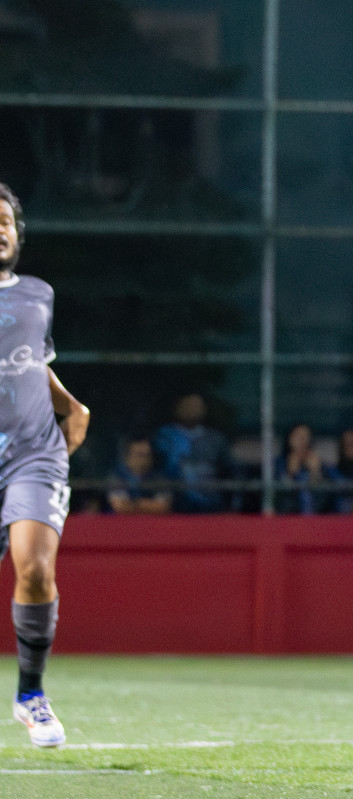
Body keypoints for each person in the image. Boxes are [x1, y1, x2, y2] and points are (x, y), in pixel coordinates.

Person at [0, 183, 91, 748]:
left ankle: (30, 695)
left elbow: (32, 364)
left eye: (5, 221)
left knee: (34, 568)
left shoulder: (37, 294)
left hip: (32, 455)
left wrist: (71, 409)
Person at [153, 392, 230, 513]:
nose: (194, 409)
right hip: (173, 507)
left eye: (198, 405)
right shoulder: (163, 437)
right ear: (178, 408)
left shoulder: (215, 439)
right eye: (188, 405)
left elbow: (227, 470)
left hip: (210, 507)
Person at [274, 423, 332, 515]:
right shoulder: (279, 463)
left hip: (316, 516)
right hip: (287, 515)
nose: (302, 440)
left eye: (306, 436)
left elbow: (326, 496)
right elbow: (276, 495)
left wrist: (316, 473)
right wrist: (290, 474)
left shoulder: (319, 463)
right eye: (298, 436)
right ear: (289, 439)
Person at [106, 436, 172, 515]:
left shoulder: (159, 478)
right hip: (121, 521)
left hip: (152, 521)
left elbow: (162, 507)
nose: (144, 459)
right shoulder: (118, 476)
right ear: (128, 456)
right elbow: (120, 507)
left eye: (148, 454)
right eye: (140, 454)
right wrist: (146, 504)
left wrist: (134, 504)